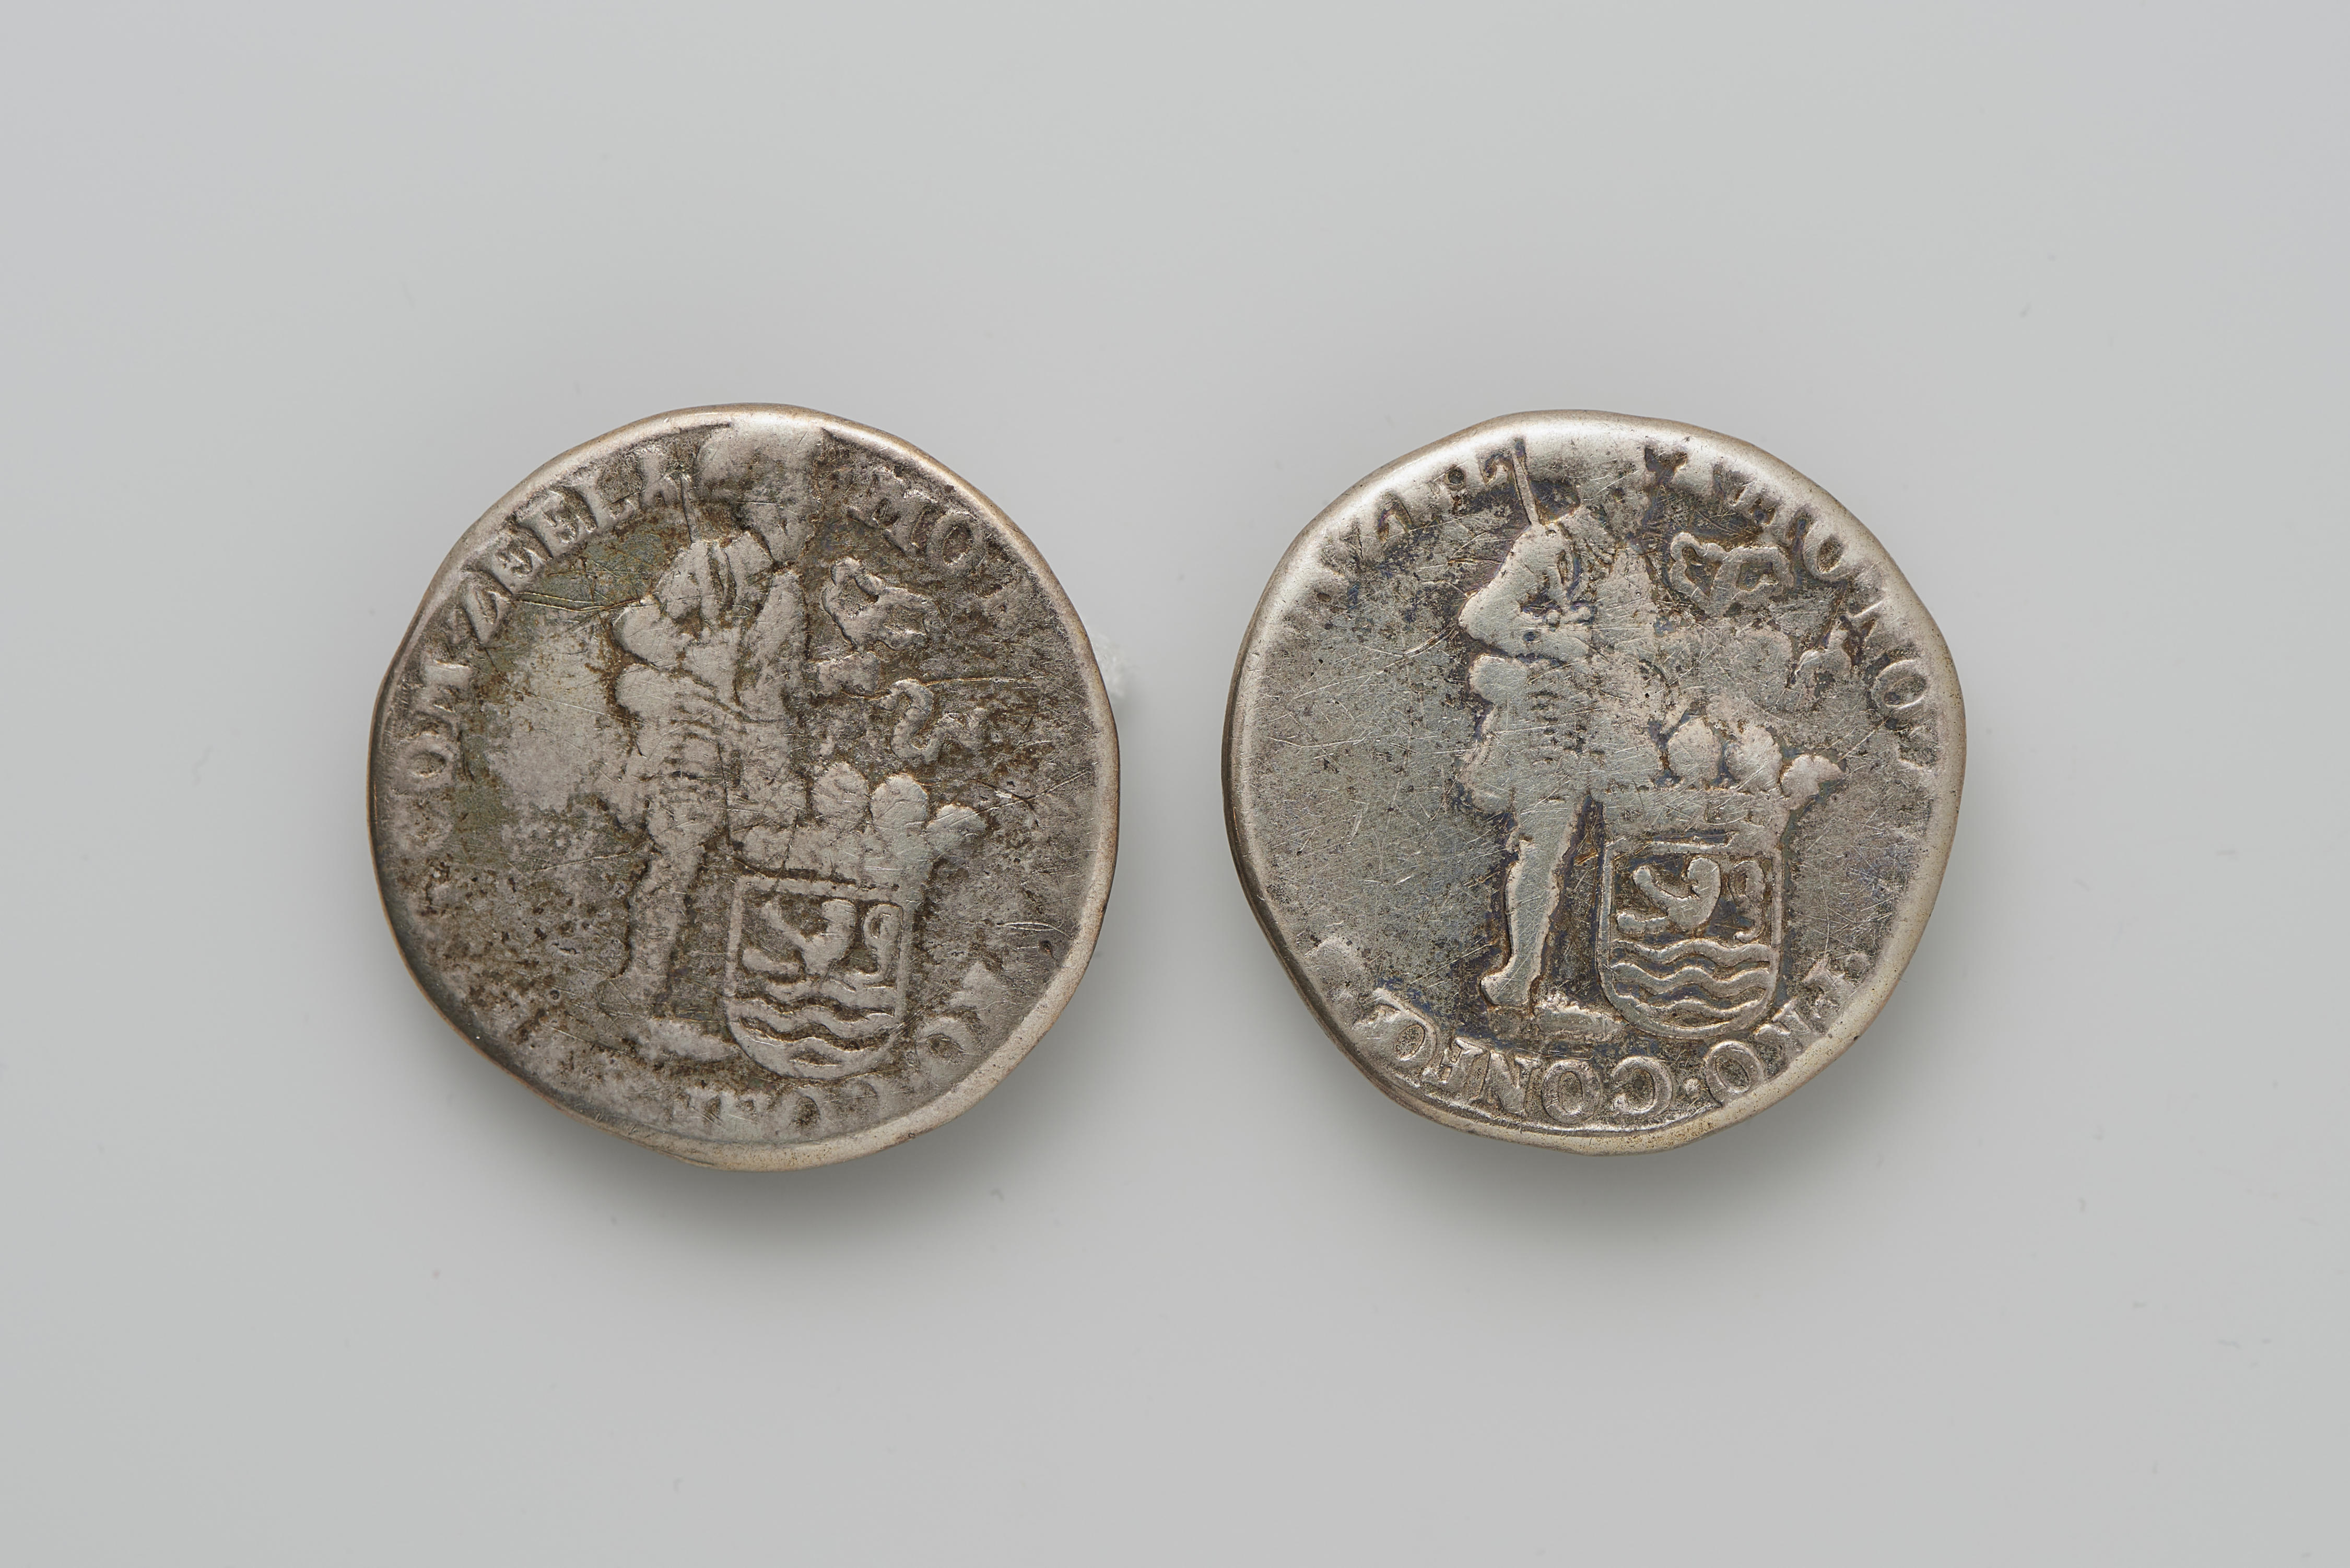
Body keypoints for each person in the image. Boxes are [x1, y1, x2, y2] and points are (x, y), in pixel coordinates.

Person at [597, 425, 820, 1022]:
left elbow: (786, 686)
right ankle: (643, 986)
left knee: (770, 870)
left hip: (762, 752)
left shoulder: (789, 593)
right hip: (697, 740)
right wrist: (689, 654)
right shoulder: (708, 564)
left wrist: (840, 677)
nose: (810, 519)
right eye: (803, 505)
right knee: (675, 866)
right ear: (770, 506)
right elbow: (632, 625)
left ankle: (750, 1001)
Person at [1458, 503, 1663, 1013]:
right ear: (1598, 485)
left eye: (1639, 484)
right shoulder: (1549, 547)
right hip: (1549, 722)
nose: (1640, 495)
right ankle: (1523, 975)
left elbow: (1641, 642)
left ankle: (1595, 983)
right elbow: (1480, 616)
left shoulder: (1629, 559)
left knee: (1619, 842)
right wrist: (1549, 638)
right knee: (1543, 851)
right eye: (1627, 482)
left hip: (1612, 719)